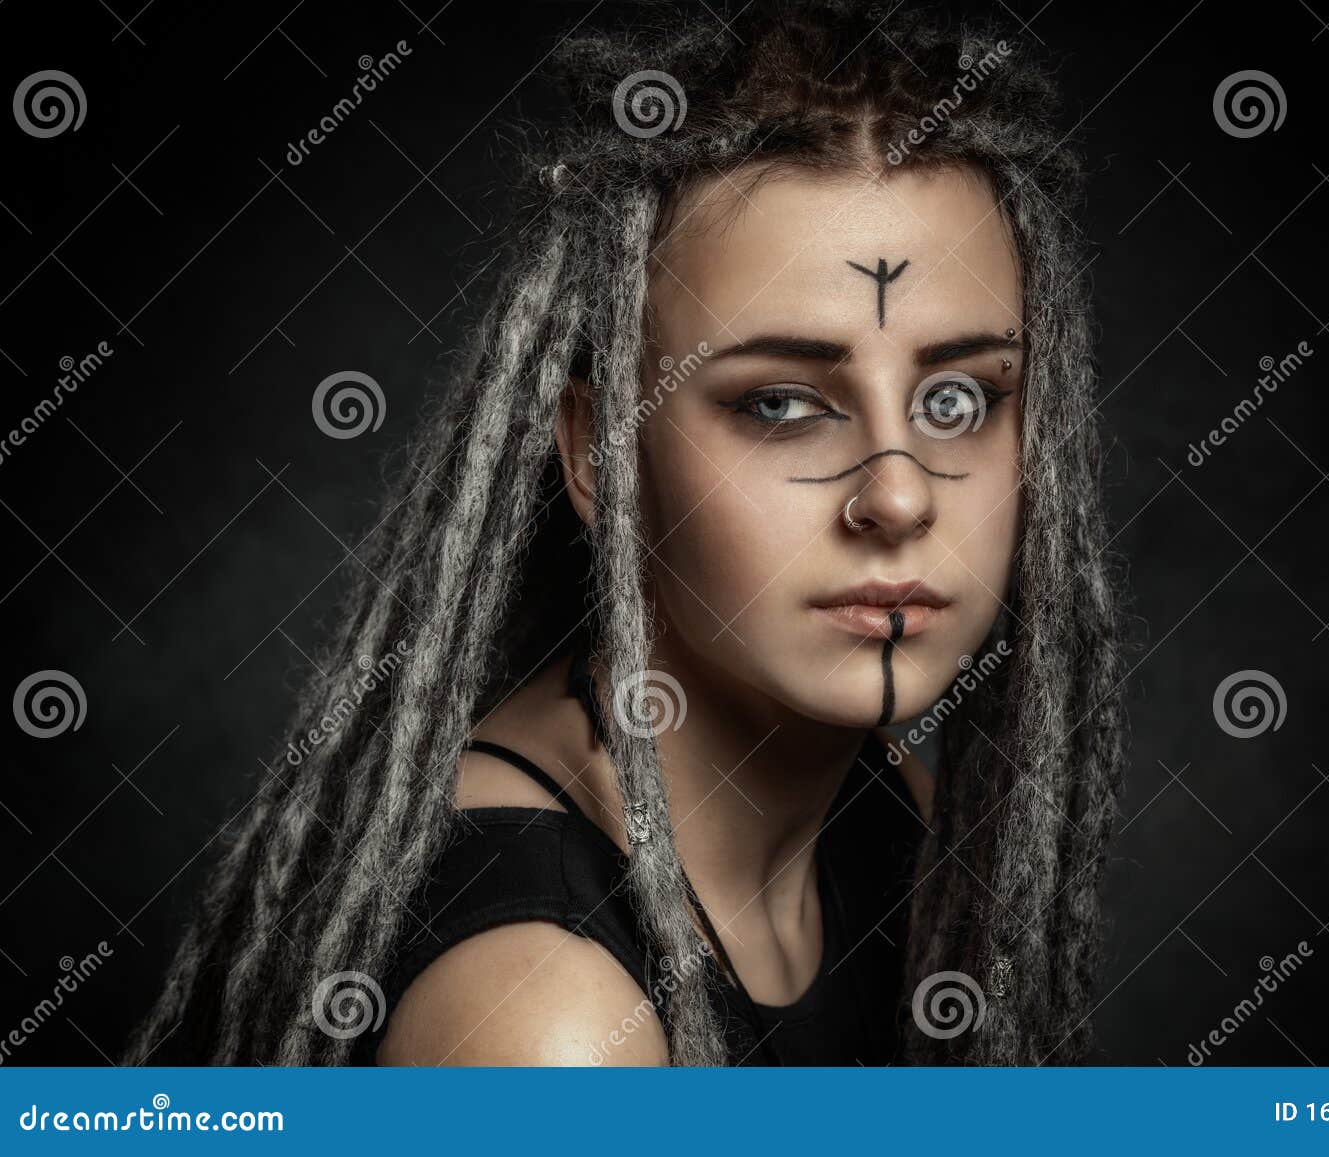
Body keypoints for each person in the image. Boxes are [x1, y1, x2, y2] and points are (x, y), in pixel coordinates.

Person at [123, 0, 1125, 1067]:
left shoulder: (883, 816)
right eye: (779, 402)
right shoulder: (548, 1025)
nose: (898, 496)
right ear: (601, 452)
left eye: (960, 398)